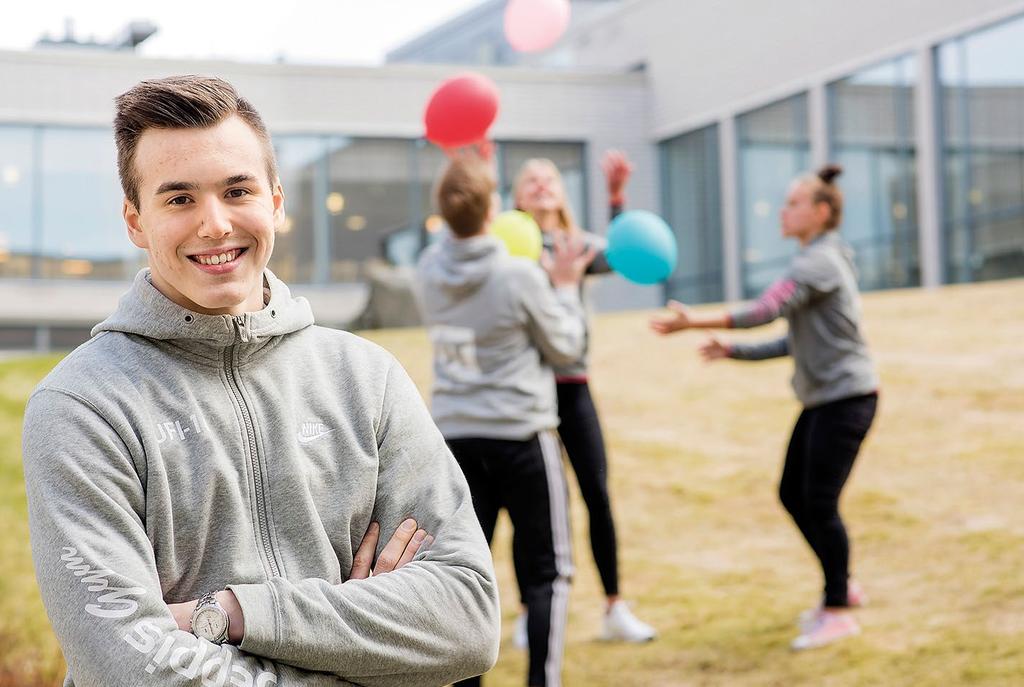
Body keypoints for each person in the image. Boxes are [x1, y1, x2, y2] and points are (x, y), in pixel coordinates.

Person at [22, 75, 499, 687]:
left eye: (237, 190)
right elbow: (128, 667)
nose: (216, 225)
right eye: (179, 199)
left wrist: (231, 614)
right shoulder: (81, 407)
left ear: (275, 200)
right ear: (135, 221)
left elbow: (466, 619)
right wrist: (367, 648)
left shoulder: (366, 379)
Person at [650, 164, 879, 651]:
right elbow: (793, 342)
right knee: (793, 494)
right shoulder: (823, 257)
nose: (783, 210)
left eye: (794, 203)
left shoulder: (816, 263)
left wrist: (694, 323)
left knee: (817, 502)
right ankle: (841, 585)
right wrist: (732, 352)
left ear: (820, 212)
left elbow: (763, 311)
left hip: (846, 401)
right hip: (826, 400)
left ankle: (838, 608)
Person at [416, 153, 594, 687]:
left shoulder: (426, 268)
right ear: (494, 208)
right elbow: (568, 349)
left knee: (465, 574)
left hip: (454, 442)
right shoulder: (519, 277)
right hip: (521, 437)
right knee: (548, 572)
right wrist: (564, 288)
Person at [510, 152, 656, 643]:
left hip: (573, 389)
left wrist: (617, 199)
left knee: (597, 494)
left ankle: (615, 607)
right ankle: (533, 613)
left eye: (549, 177)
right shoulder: (507, 244)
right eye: (531, 180)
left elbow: (621, 255)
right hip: (526, 391)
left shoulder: (575, 244)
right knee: (532, 512)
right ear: (517, 196)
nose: (541, 184)